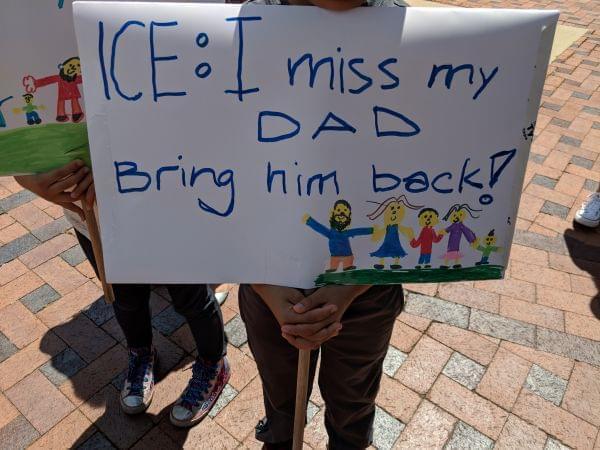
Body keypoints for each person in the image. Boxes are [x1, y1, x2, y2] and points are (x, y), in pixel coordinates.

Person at [239, 2, 407, 449]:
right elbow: (215, 171)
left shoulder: (408, 37)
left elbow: (416, 183)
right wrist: (262, 286)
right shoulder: (243, 28)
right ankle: (280, 435)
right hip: (267, 281)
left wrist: (348, 289)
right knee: (280, 402)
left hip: (368, 290)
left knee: (352, 405)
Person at [15, 161, 230, 428]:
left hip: (164, 207)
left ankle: (214, 364)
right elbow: (12, 140)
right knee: (126, 300)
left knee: (191, 297)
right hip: (92, 217)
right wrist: (26, 179)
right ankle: (142, 354)